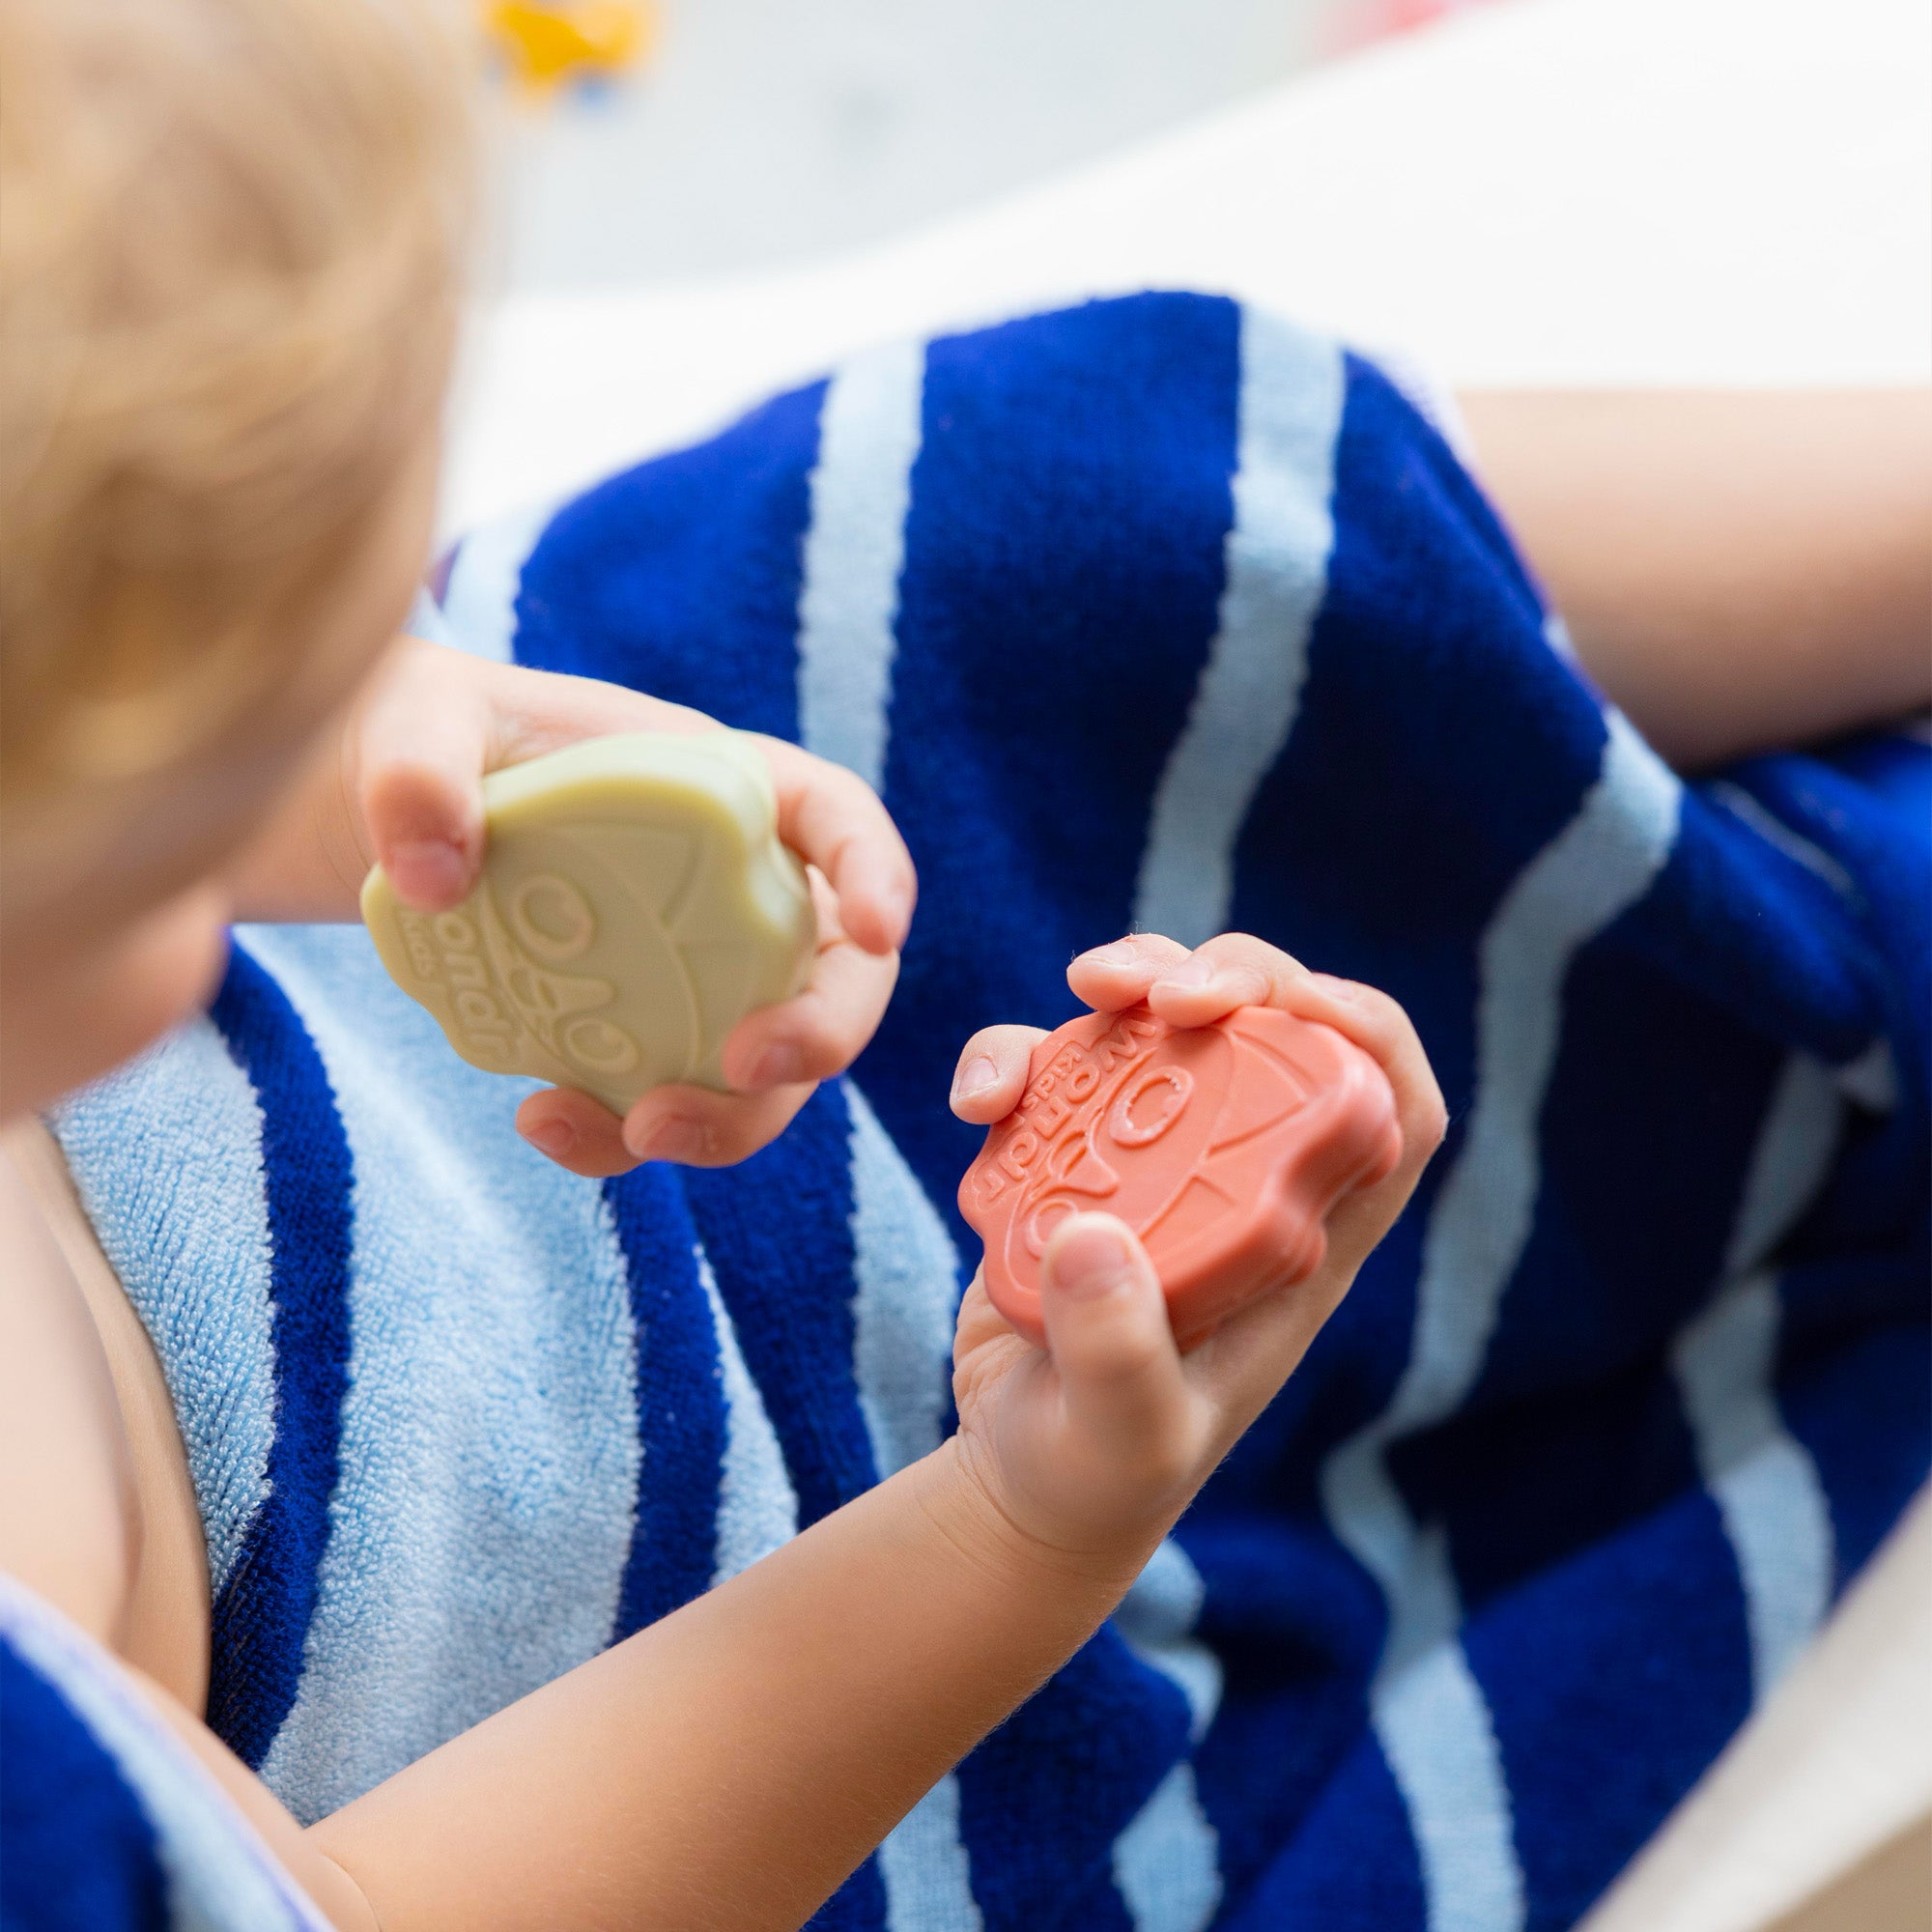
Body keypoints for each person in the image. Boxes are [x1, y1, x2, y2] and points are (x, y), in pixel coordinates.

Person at [0, 4, 1444, 1926]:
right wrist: (1022, 1525)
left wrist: (424, 754)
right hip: (724, 1585)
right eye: (170, 848)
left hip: (421, 1049)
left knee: (1096, 467)